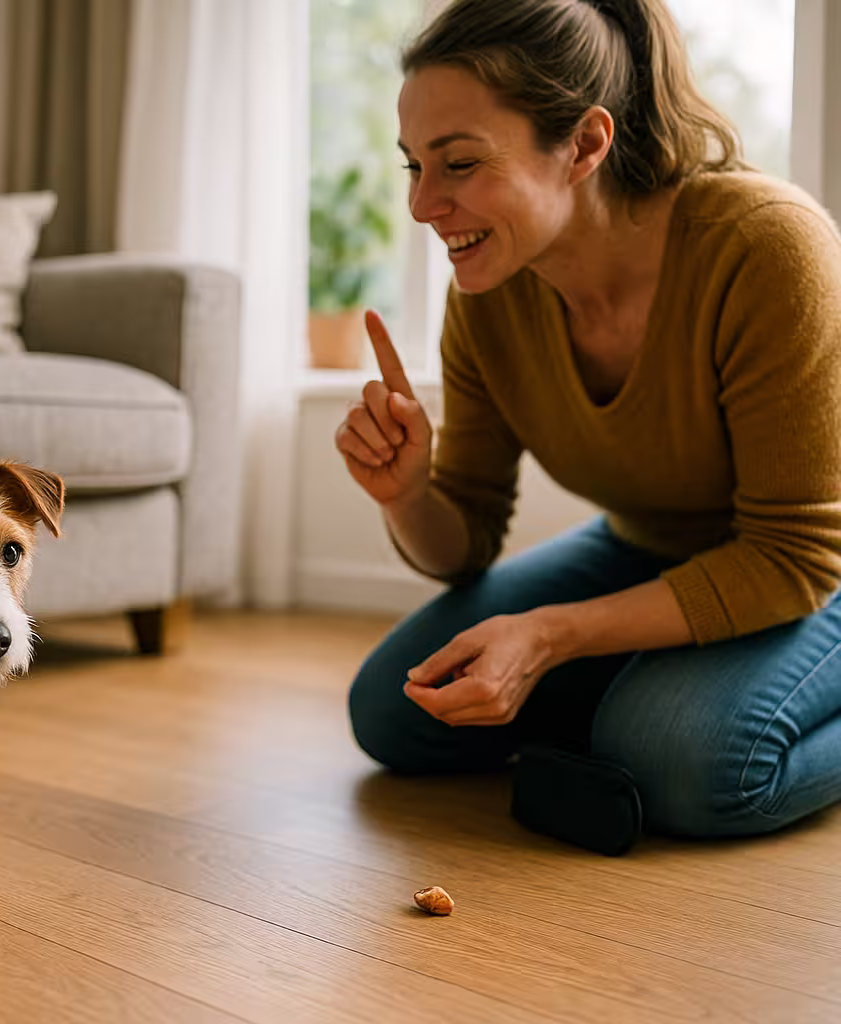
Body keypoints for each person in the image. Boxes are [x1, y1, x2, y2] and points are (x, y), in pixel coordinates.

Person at [340, 0, 841, 839]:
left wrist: (551, 638)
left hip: (812, 563)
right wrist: (407, 494)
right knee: (395, 711)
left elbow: (793, 554)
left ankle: (648, 715)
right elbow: (463, 541)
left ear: (584, 143)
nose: (425, 205)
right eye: (414, 167)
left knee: (684, 762)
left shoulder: (767, 249)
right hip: (648, 547)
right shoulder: (490, 295)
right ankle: (636, 703)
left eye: (459, 164)